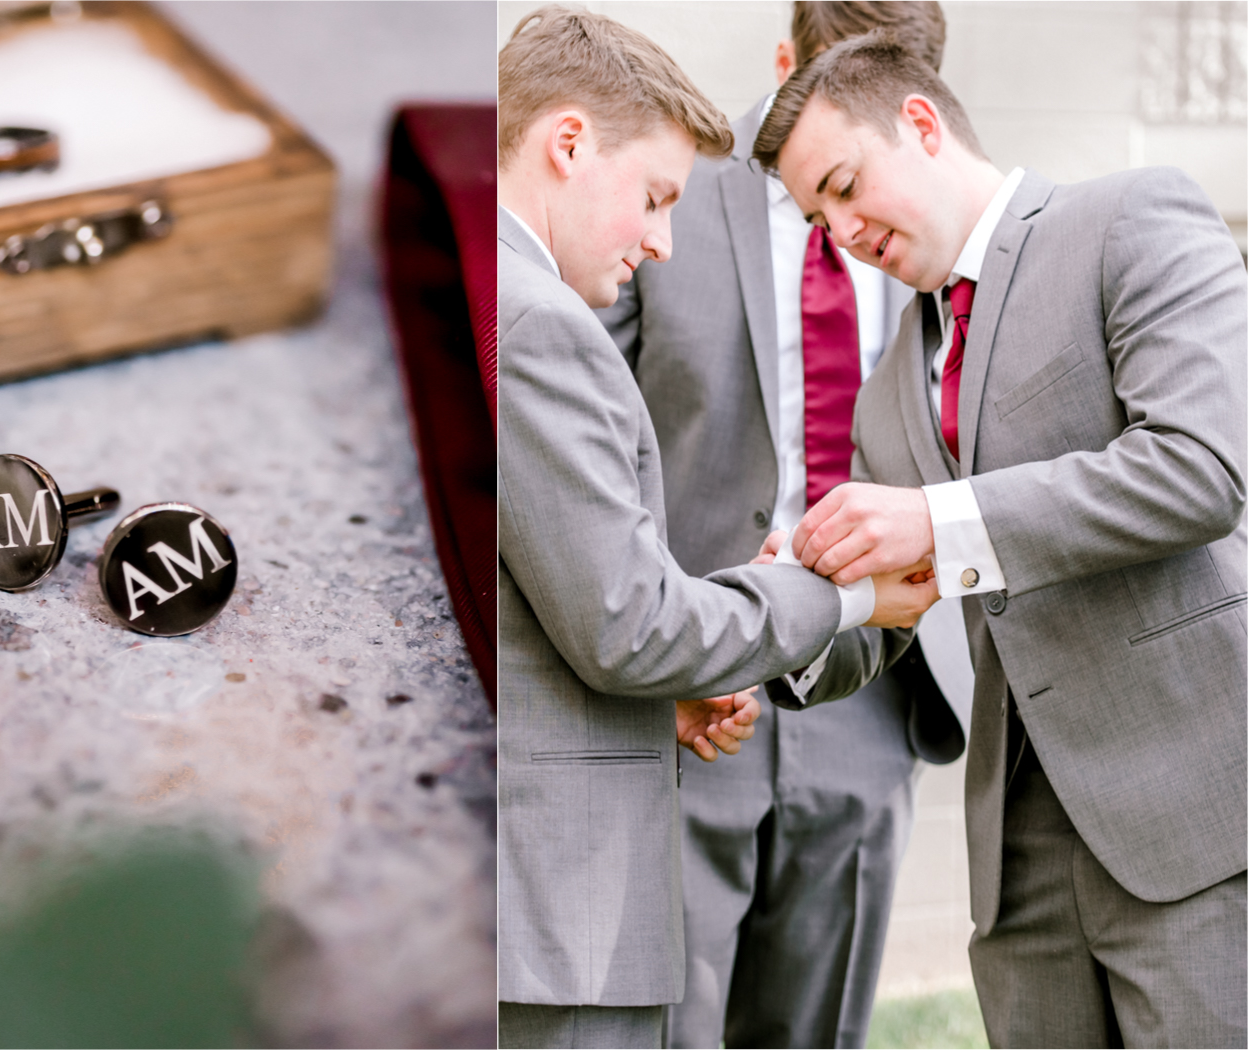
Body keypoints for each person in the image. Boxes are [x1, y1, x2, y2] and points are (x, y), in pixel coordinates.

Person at [753, 31, 1247, 1048]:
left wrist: (936, 517)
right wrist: (789, 612)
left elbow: (1204, 468)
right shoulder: (892, 387)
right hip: (1016, 855)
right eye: (817, 217)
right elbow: (891, 614)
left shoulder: (1129, 219)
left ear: (923, 124)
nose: (841, 231)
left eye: (846, 186)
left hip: (1194, 822)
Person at [496, 8, 941, 1048]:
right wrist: (850, 593)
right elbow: (607, 596)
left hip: (847, 697)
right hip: (681, 662)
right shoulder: (545, 316)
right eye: (652, 200)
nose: (659, 238)